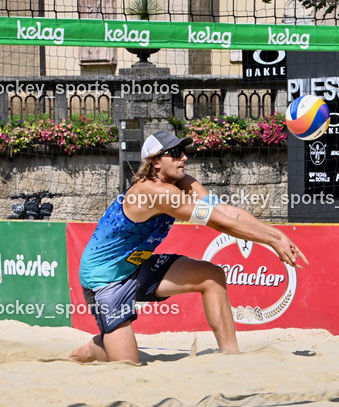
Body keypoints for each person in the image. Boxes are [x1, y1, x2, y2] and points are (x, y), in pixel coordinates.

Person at [70, 130, 308, 364]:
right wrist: (270, 241)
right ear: (155, 162)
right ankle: (93, 348)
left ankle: (231, 357)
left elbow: (224, 211)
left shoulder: (180, 183)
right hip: (105, 280)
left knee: (211, 275)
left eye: (183, 151)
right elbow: (217, 222)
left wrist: (276, 234)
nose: (183, 157)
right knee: (127, 363)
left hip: (136, 266)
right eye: (174, 152)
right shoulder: (155, 192)